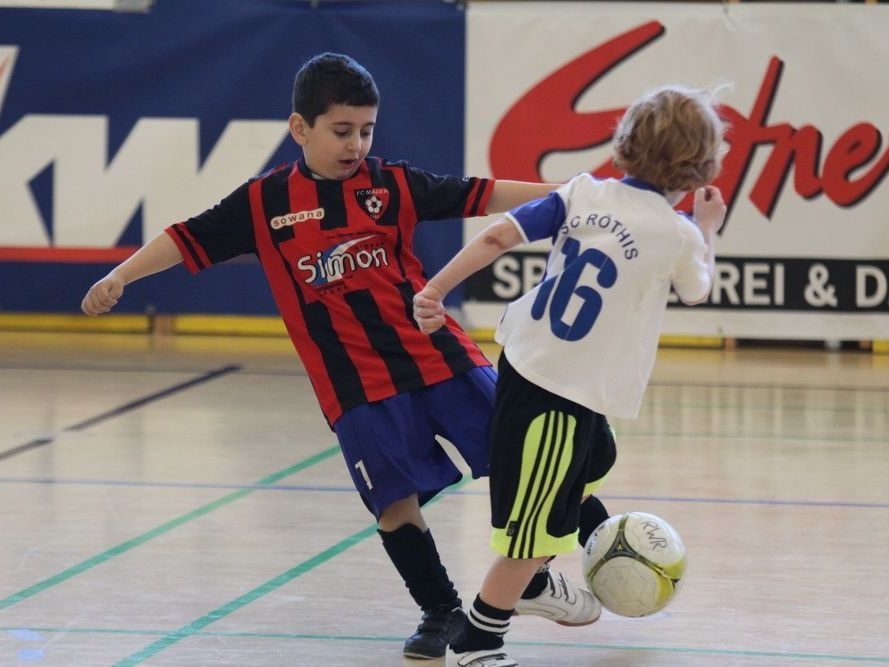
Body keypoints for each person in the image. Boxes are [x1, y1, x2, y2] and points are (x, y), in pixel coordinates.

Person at [80, 52, 598, 660]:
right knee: (393, 503)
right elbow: (185, 236)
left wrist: (577, 197)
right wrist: (121, 276)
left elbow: (482, 195)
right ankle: (440, 612)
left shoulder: (391, 185)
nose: (357, 144)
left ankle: (581, 556)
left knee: (531, 451)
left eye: (367, 130)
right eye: (342, 131)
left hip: (441, 357)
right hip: (354, 385)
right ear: (300, 129)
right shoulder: (264, 203)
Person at [412, 84, 728, 667]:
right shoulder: (678, 233)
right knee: (527, 540)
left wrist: (436, 288)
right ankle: (479, 638)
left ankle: (577, 549)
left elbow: (496, 234)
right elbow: (698, 286)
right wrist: (707, 225)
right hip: (560, 393)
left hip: (528, 361)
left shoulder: (584, 190)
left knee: (593, 461)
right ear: (702, 167)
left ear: (625, 143)